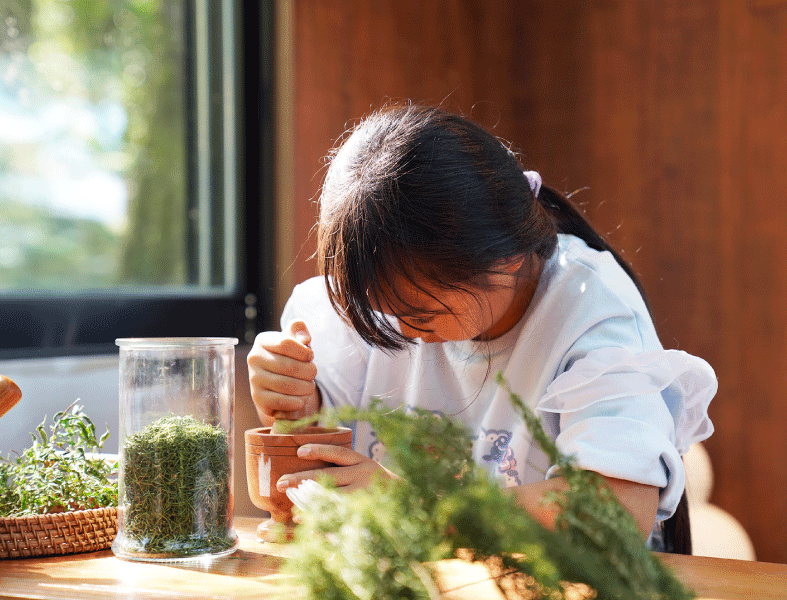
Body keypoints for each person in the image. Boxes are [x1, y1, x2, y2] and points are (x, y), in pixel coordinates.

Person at [248, 103, 716, 553]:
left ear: (507, 255)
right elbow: (310, 473)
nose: (401, 330)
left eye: (420, 314)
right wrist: (295, 400)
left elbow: (614, 515)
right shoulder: (381, 300)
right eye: (380, 311)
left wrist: (415, 505)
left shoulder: (590, 312)